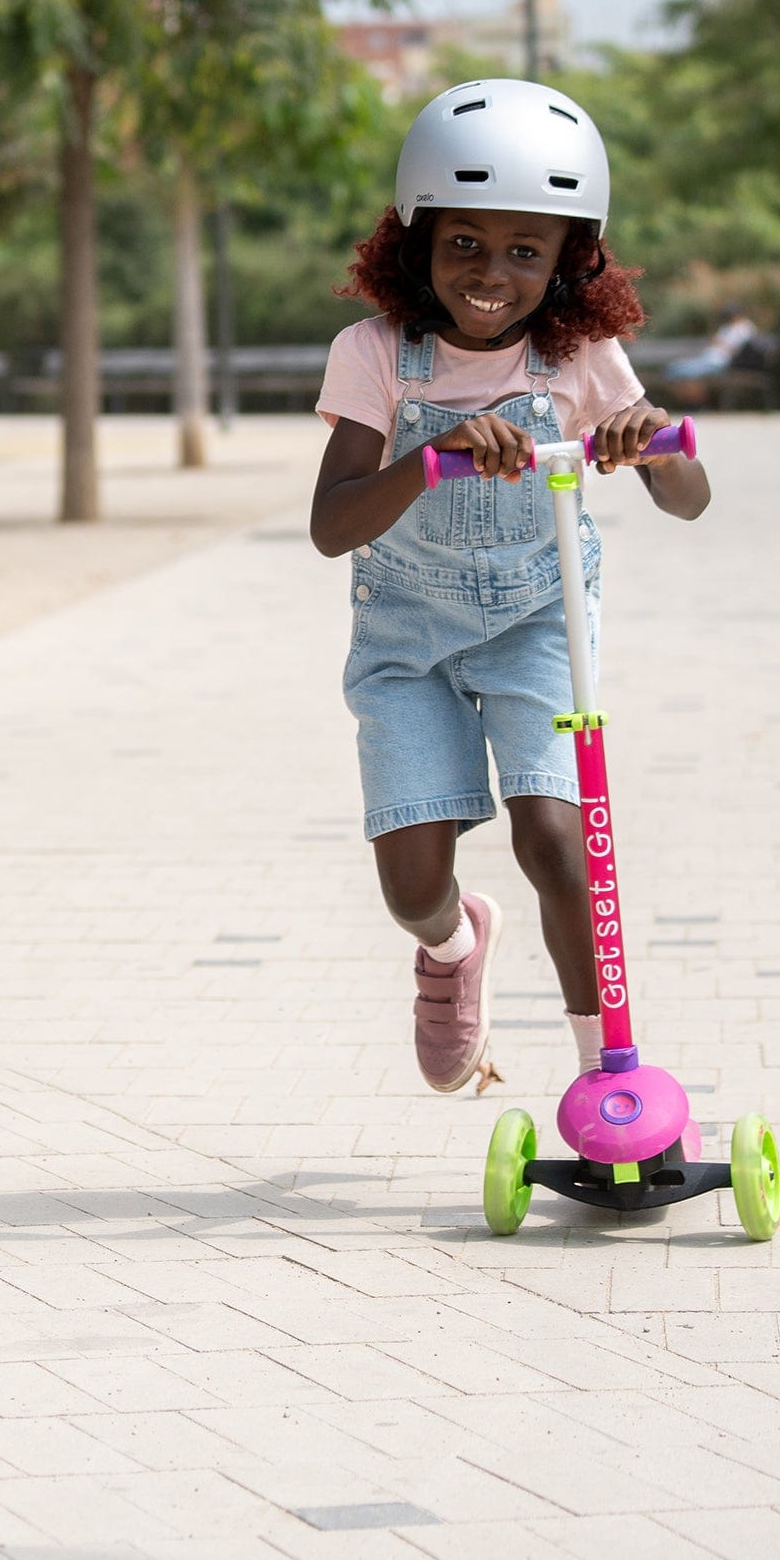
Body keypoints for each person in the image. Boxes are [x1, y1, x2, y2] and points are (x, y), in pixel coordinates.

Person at [310, 79, 710, 1093]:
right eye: (465, 243)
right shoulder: (375, 358)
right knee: (410, 887)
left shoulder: (577, 357)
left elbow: (688, 497)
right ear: (417, 240)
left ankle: (606, 1076)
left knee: (553, 836)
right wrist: (433, 449)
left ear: (567, 261)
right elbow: (331, 523)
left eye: (524, 250)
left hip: (539, 622)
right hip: (405, 639)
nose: (490, 273)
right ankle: (450, 952)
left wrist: (646, 444)